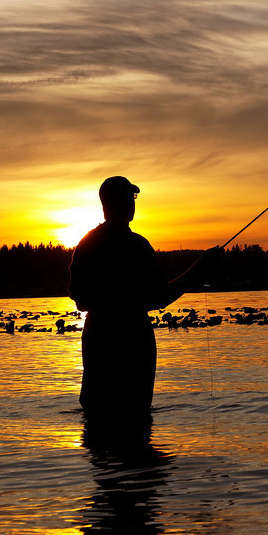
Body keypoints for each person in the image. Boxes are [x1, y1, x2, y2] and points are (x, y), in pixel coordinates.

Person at [68, 176, 190, 441]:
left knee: (97, 417)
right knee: (135, 416)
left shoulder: (86, 244)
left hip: (98, 335)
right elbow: (159, 298)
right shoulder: (137, 245)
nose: (134, 204)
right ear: (116, 202)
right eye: (130, 197)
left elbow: (78, 298)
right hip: (134, 338)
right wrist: (193, 276)